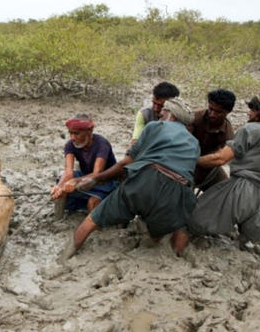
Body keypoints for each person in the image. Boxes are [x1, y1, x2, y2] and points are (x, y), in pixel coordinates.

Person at [59, 97, 200, 260]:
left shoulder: (155, 126)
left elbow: (127, 162)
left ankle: (65, 257)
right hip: (177, 190)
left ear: (172, 115)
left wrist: (96, 179)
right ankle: (175, 255)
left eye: (162, 114)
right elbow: (188, 175)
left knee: (92, 220)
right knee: (169, 229)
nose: (160, 116)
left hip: (145, 180)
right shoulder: (194, 143)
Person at [190, 92, 260, 248]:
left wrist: (193, 160)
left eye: (252, 109)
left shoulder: (250, 129)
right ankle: (244, 239)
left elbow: (220, 159)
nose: (249, 112)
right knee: (244, 244)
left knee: (195, 220)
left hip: (244, 192)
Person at [51, 114, 118, 219]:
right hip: (86, 176)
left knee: (92, 203)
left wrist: (75, 181)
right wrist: (59, 186)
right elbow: (68, 172)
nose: (73, 138)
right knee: (61, 185)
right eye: (71, 133)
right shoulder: (70, 145)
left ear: (89, 131)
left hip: (105, 181)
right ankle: (59, 217)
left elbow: (97, 173)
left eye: (77, 133)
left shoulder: (102, 144)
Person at [191, 89, 236, 190]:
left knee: (226, 190)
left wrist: (197, 161)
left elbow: (220, 159)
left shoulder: (228, 134)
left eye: (218, 112)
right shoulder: (193, 118)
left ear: (228, 112)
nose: (212, 114)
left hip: (207, 168)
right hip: (183, 163)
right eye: (210, 109)